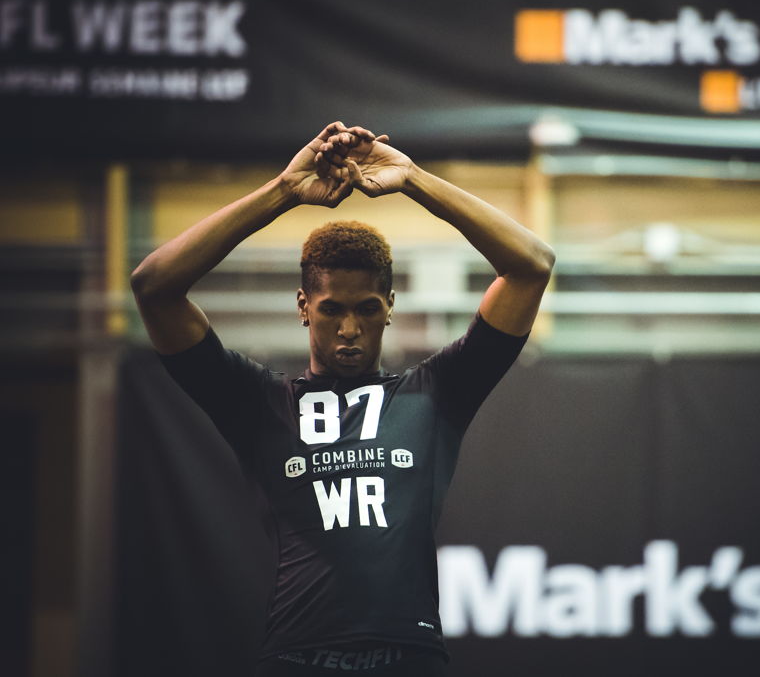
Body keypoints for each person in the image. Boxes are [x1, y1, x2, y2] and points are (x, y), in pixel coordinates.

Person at [130, 122, 554, 676]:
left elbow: (532, 265)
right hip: (297, 655)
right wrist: (283, 192)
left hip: (411, 656)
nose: (350, 328)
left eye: (368, 309)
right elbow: (152, 285)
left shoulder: (435, 393)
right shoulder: (258, 402)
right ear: (304, 305)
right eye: (332, 309)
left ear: (391, 306)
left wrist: (415, 180)